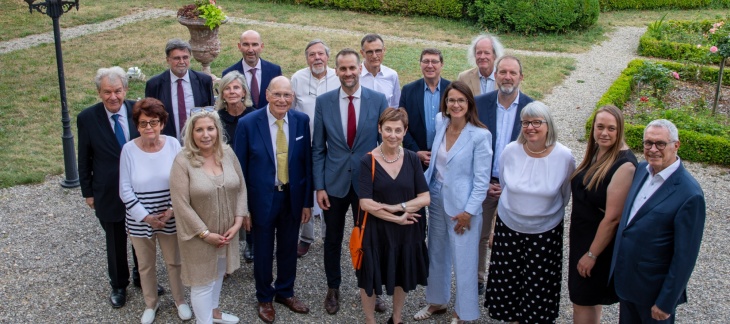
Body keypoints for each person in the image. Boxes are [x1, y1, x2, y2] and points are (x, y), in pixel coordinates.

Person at [484, 101, 576, 324]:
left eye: (537, 122)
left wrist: (542, 214)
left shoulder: (564, 157)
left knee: (539, 283)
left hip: (545, 231)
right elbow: (506, 187)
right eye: (526, 122)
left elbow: (564, 195)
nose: (530, 127)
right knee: (508, 280)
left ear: (548, 125)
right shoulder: (510, 151)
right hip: (509, 226)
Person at [312, 48, 388, 315]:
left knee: (368, 238)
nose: (348, 73)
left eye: (352, 68)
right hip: (333, 185)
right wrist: (319, 186)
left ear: (360, 68)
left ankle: (370, 288)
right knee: (332, 239)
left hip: (367, 185)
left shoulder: (378, 100)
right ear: (336, 71)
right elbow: (318, 148)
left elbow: (385, 145)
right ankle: (333, 288)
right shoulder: (324, 102)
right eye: (342, 69)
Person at [234, 76, 313, 323]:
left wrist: (307, 202)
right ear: (267, 95)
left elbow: (306, 164)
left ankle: (285, 292)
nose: (282, 100)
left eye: (287, 95)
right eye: (277, 94)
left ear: (292, 97)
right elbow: (240, 169)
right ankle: (265, 297)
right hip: (261, 199)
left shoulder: (301, 121)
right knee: (264, 251)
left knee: (289, 248)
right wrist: (243, 208)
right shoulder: (248, 124)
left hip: (292, 197)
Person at [610, 119, 706, 323]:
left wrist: (666, 301)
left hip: (653, 294)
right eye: (648, 143)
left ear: (676, 145)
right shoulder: (642, 170)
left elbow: (685, 257)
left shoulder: (689, 194)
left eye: (660, 144)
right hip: (627, 285)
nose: (653, 149)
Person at [416, 81, 492, 324]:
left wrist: (469, 212)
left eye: (461, 100)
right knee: (436, 251)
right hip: (437, 197)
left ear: (469, 104)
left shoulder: (480, 135)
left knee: (464, 258)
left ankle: (464, 311)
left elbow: (481, 180)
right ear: (445, 105)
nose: (456, 104)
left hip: (463, 205)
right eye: (451, 100)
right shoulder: (442, 123)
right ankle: (437, 301)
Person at [169, 110, 247, 324]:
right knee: (202, 283)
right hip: (198, 237)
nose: (206, 134)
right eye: (199, 129)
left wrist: (239, 220)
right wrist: (205, 234)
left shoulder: (228, 153)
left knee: (218, 274)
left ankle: (214, 313)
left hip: (226, 233)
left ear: (218, 131)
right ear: (191, 133)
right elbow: (180, 204)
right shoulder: (182, 161)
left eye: (210, 128)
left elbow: (241, 188)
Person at [119, 98, 190, 324]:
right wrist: (146, 217)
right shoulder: (128, 150)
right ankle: (151, 303)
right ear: (137, 125)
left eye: (153, 122)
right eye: (143, 123)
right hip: (140, 220)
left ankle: (180, 301)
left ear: (162, 123)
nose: (148, 127)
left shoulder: (173, 145)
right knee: (145, 265)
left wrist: (171, 210)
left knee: (174, 262)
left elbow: (182, 181)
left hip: (169, 216)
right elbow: (124, 189)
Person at [357, 108, 431, 324]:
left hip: (407, 230)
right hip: (376, 231)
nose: (393, 135)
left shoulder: (411, 159)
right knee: (369, 279)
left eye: (398, 130)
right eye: (388, 129)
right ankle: (370, 320)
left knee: (402, 273)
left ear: (405, 131)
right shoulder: (367, 161)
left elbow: (425, 197)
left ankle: (396, 318)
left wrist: (398, 207)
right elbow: (365, 203)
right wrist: (397, 215)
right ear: (380, 129)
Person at [77, 66, 140, 308]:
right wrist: (88, 191)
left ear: (125, 89)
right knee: (115, 240)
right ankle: (118, 284)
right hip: (108, 190)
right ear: (99, 93)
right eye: (107, 92)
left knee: (141, 236)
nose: (112, 97)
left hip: (139, 188)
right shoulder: (87, 118)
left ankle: (142, 276)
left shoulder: (139, 110)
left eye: (117, 91)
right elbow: (84, 157)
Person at [568, 105, 637, 323]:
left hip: (597, 244)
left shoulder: (624, 165)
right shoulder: (598, 151)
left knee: (581, 301)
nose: (604, 133)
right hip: (582, 237)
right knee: (589, 301)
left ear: (620, 130)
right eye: (600, 127)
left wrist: (592, 255)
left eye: (611, 128)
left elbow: (613, 218)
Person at [474, 55, 533, 294]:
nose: (507, 77)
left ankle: (506, 283)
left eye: (512, 73)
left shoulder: (532, 108)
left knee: (513, 237)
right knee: (480, 233)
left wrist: (510, 185)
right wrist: (483, 181)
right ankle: (478, 278)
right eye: (503, 72)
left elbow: (536, 151)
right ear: (495, 75)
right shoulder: (479, 104)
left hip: (516, 186)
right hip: (486, 181)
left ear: (521, 77)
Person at [290, 39, 341, 257]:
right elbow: (291, 110)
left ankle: (329, 235)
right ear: (306, 58)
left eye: (320, 54)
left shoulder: (338, 77)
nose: (316, 58)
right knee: (307, 190)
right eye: (312, 54)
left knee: (329, 189)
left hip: (332, 145)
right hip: (305, 145)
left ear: (328, 57)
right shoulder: (297, 78)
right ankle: (306, 236)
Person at [145, 39, 215, 140]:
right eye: (177, 58)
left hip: (199, 142)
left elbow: (209, 112)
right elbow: (150, 117)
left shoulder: (204, 81)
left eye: (185, 57)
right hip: (167, 143)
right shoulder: (155, 85)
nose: (182, 62)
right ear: (168, 60)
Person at [399, 48, 451, 170]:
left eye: (434, 61)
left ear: (441, 64)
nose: (430, 65)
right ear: (420, 63)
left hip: (446, 159)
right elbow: (401, 124)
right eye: (426, 61)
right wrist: (416, 152)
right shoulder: (408, 91)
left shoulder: (452, 90)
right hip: (415, 159)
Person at [223, 30, 283, 109]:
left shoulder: (274, 70)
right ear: (239, 46)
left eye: (254, 45)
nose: (250, 50)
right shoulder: (229, 73)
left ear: (261, 46)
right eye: (246, 44)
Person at [359, 34, 401, 107]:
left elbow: (396, 105)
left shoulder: (392, 75)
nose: (374, 56)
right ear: (362, 53)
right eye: (370, 52)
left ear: (384, 50)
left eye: (378, 51)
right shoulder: (355, 76)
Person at [216, 71, 254, 148]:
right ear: (223, 94)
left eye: (236, 88)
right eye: (227, 88)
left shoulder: (254, 117)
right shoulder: (216, 119)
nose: (232, 92)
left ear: (244, 92)